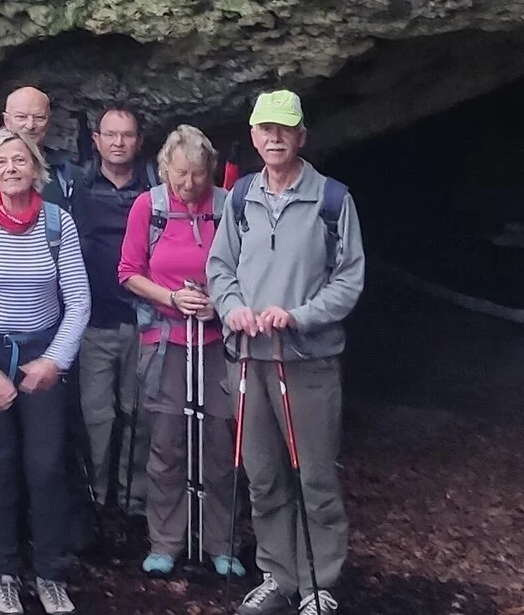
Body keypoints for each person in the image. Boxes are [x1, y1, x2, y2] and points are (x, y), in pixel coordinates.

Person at [207, 90, 365, 615]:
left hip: (307, 360)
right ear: (253, 136)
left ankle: (321, 582)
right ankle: (279, 576)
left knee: (315, 477)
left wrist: (299, 314)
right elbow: (219, 267)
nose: (274, 138)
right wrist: (231, 309)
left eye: (284, 129)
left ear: (301, 135)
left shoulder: (333, 199)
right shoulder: (240, 196)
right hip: (249, 359)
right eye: (265, 129)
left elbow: (348, 281)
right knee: (264, 475)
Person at [0, 128, 90, 615]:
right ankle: (1, 572)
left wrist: (54, 361)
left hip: (42, 358)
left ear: (36, 169)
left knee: (46, 468)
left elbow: (78, 301)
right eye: (0, 162)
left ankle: (50, 572)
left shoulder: (58, 224)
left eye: (19, 161)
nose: (11, 169)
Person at [118, 124, 244, 578]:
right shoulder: (147, 208)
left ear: (210, 170)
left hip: (217, 340)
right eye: (179, 175)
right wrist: (171, 298)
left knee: (219, 440)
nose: (188, 185)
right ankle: (165, 540)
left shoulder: (228, 206)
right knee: (167, 443)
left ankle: (221, 542)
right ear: (164, 169)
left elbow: (245, 269)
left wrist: (220, 302)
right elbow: (129, 271)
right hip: (166, 339)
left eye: (197, 174)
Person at [68, 106, 157, 516]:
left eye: (127, 135)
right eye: (111, 134)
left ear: (139, 141)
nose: (118, 143)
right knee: (96, 416)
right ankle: (93, 495)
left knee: (139, 415)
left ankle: (133, 498)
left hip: (145, 320)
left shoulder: (156, 187)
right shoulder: (76, 186)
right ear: (96, 140)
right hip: (94, 321)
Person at [0, 87, 78, 211]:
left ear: (49, 121)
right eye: (21, 117)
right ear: (6, 120)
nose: (30, 125)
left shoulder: (67, 175)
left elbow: (82, 229)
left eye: (39, 118)